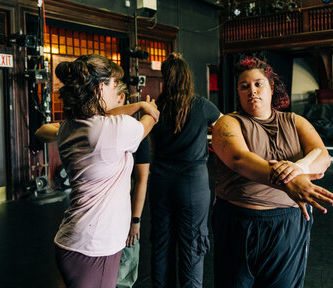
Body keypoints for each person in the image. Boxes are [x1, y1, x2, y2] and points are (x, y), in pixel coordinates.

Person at [211, 56, 333, 288]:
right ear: (238, 93)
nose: (252, 91)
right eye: (244, 86)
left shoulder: (295, 121)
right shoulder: (228, 123)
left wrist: (298, 168)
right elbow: (239, 159)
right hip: (239, 223)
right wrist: (289, 182)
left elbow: (321, 154)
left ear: (272, 88)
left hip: (287, 225)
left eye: (258, 84)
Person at [52, 54, 159, 288]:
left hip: (75, 240)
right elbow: (149, 122)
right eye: (112, 84)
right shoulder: (112, 130)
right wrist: (148, 108)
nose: (116, 92)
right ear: (101, 87)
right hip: (95, 245)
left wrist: (138, 105)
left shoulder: (68, 126)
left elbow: (105, 115)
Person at [149, 52, 221, 288]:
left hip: (160, 180)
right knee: (192, 243)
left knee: (161, 243)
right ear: (187, 78)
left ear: (165, 80)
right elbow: (226, 127)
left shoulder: (155, 108)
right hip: (192, 182)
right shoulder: (201, 105)